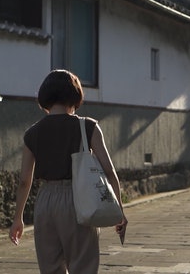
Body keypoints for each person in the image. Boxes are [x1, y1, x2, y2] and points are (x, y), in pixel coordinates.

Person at [9, 69, 128, 274]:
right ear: (75, 96)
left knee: (50, 267)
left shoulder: (32, 133)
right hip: (80, 199)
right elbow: (109, 171)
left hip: (45, 203)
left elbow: (24, 181)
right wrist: (119, 211)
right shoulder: (88, 126)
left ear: (45, 97)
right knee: (83, 265)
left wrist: (18, 218)